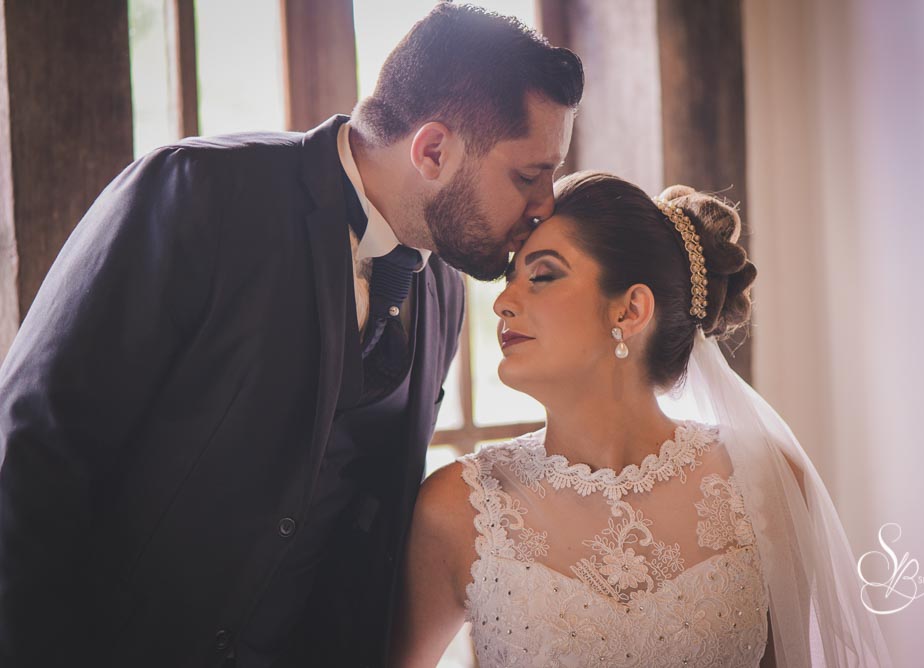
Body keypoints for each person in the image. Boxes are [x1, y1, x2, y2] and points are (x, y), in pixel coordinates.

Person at [0, 5, 583, 667]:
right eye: (529, 176)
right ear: (432, 151)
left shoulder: (441, 284)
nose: (546, 205)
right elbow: (36, 452)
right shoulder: (197, 193)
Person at [392, 172, 895, 667]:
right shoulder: (460, 507)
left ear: (630, 310)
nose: (503, 303)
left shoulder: (765, 482)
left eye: (542, 277)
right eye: (509, 282)